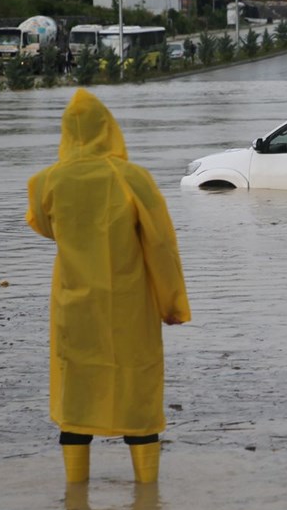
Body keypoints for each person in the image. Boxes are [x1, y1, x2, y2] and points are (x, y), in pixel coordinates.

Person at [26, 88, 191, 484]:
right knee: (137, 391)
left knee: (77, 392)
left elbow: (44, 227)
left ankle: (75, 500)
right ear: (109, 129)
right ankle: (147, 492)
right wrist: (171, 303)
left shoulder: (45, 182)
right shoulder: (134, 179)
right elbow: (161, 244)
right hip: (129, 306)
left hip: (73, 305)